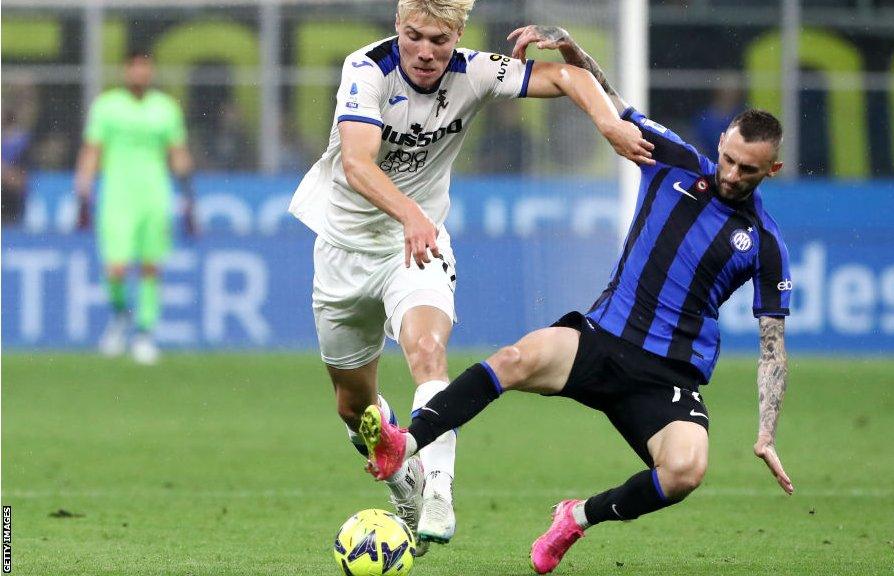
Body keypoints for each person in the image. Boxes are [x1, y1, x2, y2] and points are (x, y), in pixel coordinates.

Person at [357, 25, 795, 574]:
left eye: (746, 169)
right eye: (727, 158)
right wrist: (569, 49)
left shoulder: (766, 244)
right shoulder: (677, 162)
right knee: (514, 359)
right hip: (601, 339)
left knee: (685, 471)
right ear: (721, 144)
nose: (730, 174)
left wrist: (766, 433)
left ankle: (577, 518)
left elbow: (773, 346)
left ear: (771, 171)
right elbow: (610, 101)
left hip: (668, 376)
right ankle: (406, 444)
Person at [287, 0, 654, 556]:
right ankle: (402, 484)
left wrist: (608, 125)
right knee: (353, 409)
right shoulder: (366, 70)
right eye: (414, 36)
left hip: (416, 246)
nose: (426, 51)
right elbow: (359, 165)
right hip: (343, 251)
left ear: (457, 35)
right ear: (397, 28)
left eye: (439, 39)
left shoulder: (477, 70)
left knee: (428, 350)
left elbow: (569, 75)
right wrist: (409, 212)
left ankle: (438, 490)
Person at [74, 51, 196, 365]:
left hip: (155, 194)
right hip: (117, 194)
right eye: (136, 67)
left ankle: (144, 332)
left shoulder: (165, 108)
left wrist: (188, 199)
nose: (141, 73)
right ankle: (120, 316)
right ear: (126, 70)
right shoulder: (107, 105)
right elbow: (92, 149)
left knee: (151, 265)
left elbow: (178, 154)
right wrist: (83, 192)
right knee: (115, 266)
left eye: (146, 67)